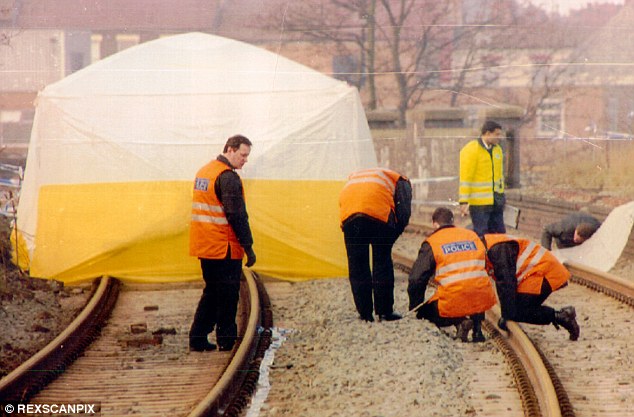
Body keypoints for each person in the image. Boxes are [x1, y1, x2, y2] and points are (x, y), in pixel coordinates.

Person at [189, 134, 257, 352]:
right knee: (228, 294)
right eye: (243, 155)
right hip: (223, 246)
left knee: (212, 291)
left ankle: (198, 337)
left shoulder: (205, 172)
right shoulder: (228, 178)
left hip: (205, 244)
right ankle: (226, 340)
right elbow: (237, 215)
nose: (245, 160)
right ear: (230, 149)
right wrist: (248, 247)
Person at [407, 207, 497, 342]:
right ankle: (477, 331)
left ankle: (460, 321)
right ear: (452, 221)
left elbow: (416, 279)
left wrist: (415, 308)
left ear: (434, 224)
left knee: (424, 312)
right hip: (481, 300)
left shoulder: (433, 241)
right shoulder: (472, 235)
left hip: (453, 305)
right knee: (473, 282)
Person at [339, 168, 412, 322]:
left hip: (349, 216)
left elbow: (344, 201)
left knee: (357, 264)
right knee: (382, 261)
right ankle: (384, 312)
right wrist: (393, 234)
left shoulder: (356, 176)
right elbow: (404, 213)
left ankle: (365, 314)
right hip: (378, 214)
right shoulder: (401, 180)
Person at [482, 233, 580, 341]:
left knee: (517, 311)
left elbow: (506, 282)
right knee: (515, 311)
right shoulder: (492, 245)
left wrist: (506, 315)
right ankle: (561, 316)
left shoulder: (497, 249)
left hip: (543, 272)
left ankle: (562, 317)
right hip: (540, 271)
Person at [459, 120, 506, 236]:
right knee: (482, 234)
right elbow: (466, 178)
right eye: (497, 134)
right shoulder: (471, 150)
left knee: (500, 234)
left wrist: (502, 197)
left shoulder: (497, 150)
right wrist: (464, 201)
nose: (499, 138)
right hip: (479, 205)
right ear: (487, 133)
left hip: (496, 202)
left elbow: (499, 176)